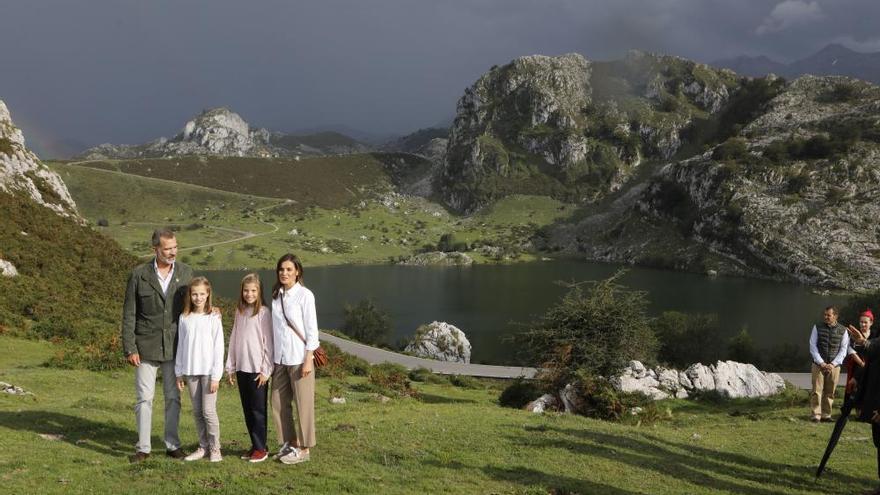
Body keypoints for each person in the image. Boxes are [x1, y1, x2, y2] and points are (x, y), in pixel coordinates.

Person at [121, 228, 193, 463]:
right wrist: (130, 348)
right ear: (155, 249)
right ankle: (143, 448)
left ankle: (173, 445)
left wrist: (212, 311)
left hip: (175, 347)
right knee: (145, 398)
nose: (173, 252)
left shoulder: (186, 272)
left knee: (173, 397)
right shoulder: (138, 275)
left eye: (175, 247)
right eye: (167, 249)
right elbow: (129, 314)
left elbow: (196, 305)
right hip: (145, 347)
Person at [270, 254, 319, 465]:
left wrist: (308, 359)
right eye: (282, 269)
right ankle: (290, 443)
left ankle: (305, 448)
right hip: (280, 359)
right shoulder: (276, 296)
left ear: (297, 271)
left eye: (289, 269)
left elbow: (312, 330)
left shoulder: (305, 295)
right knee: (278, 403)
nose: (285, 273)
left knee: (303, 404)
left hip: (300, 358)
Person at [175, 277, 225, 462]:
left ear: (208, 294)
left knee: (208, 411)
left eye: (202, 294)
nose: (198, 297)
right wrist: (178, 372)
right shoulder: (184, 317)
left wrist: (216, 376)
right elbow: (181, 346)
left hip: (209, 372)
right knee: (197, 411)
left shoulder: (213, 317)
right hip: (190, 370)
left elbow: (219, 347)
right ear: (190, 295)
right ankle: (203, 447)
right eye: (194, 294)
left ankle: (215, 448)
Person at [225, 273, 274, 463]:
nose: (249, 294)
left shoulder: (264, 313)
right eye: (246, 290)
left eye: (253, 290)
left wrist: (266, 370)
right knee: (247, 409)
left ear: (259, 291)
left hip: (257, 370)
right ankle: (255, 445)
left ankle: (261, 448)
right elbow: (235, 339)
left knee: (258, 410)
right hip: (242, 368)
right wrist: (231, 367)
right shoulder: (240, 311)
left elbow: (268, 343)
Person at [808, 305, 850, 422]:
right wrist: (821, 362)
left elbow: (843, 349)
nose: (825, 317)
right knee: (816, 390)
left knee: (830, 391)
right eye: (825, 314)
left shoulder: (843, 330)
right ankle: (816, 414)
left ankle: (826, 415)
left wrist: (833, 364)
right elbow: (812, 346)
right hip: (818, 364)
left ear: (835, 316)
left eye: (828, 315)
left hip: (834, 366)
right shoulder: (817, 327)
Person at [844, 310, 874, 398]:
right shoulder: (854, 334)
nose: (863, 324)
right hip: (856, 366)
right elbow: (851, 350)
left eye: (865, 322)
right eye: (861, 322)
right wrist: (861, 363)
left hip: (871, 367)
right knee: (854, 390)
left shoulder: (875, 334)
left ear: (871, 322)